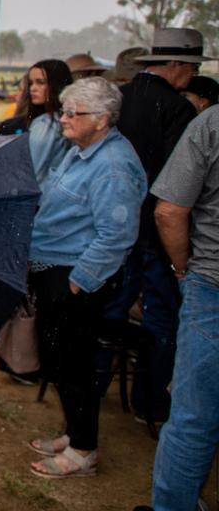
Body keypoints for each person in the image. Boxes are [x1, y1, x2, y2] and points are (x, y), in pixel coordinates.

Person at [25, 77, 146, 479]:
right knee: (60, 360)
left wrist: (79, 282)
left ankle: (83, 450)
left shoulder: (114, 165)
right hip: (56, 269)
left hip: (75, 277)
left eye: (72, 113)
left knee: (74, 364)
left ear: (102, 119)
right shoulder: (83, 152)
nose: (62, 119)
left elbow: (118, 235)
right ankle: (75, 431)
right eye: (64, 111)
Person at [114, 27, 206, 425]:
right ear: (175, 65)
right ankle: (150, 404)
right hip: (154, 228)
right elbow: (176, 183)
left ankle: (96, 386)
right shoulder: (177, 108)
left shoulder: (122, 97)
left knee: (113, 307)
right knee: (161, 318)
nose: (192, 74)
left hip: (117, 223)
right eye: (191, 67)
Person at [142, 107, 219, 510]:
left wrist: (183, 269)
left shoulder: (211, 123)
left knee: (193, 418)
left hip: (212, 285)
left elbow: (169, 210)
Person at [0, 60, 73, 185]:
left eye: (40, 82)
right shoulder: (61, 120)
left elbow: (32, 174)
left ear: (56, 84)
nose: (32, 89)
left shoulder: (46, 124)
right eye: (30, 83)